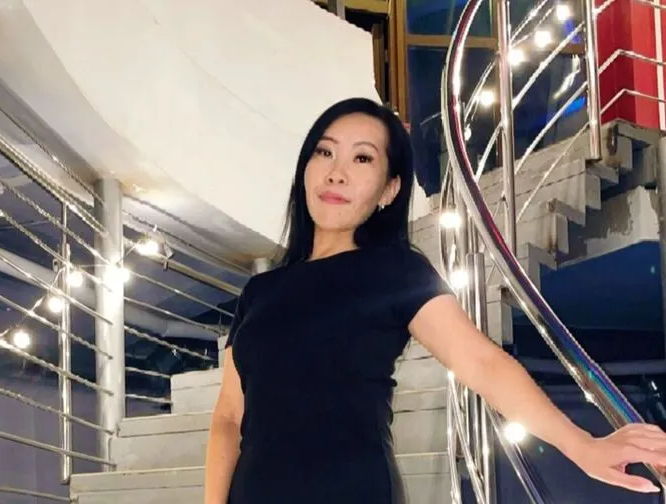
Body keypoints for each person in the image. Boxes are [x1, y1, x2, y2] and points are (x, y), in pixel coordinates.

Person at [203, 97, 666, 503]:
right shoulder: (259, 291)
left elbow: (482, 363)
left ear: (389, 190)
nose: (336, 173)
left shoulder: (396, 271)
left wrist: (581, 445)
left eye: (362, 158)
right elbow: (229, 415)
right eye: (324, 152)